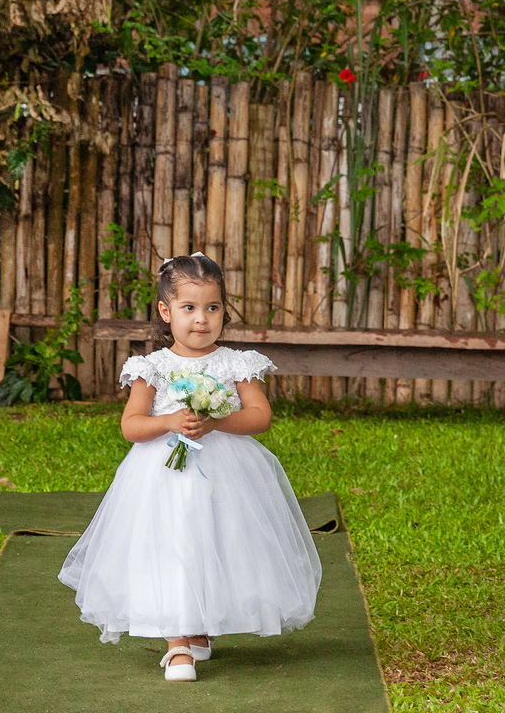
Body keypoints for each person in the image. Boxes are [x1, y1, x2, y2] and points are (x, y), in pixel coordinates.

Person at [58, 252, 322, 682]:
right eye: (189, 308)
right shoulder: (152, 368)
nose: (202, 319)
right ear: (166, 312)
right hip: (163, 476)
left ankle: (201, 630)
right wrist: (168, 421)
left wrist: (216, 422)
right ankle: (177, 642)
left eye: (212, 308)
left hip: (227, 474)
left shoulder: (237, 363)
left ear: (223, 311)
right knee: (173, 544)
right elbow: (131, 425)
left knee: (218, 541)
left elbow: (260, 416)